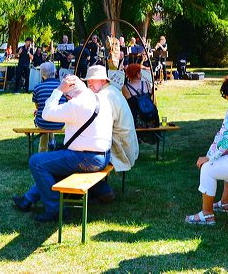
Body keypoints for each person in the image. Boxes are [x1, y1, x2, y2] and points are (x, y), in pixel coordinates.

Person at [12, 75, 113, 222]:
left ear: (68, 95)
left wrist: (59, 90)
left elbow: (46, 113)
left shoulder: (76, 104)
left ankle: (54, 208)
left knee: (36, 162)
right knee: (54, 162)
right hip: (104, 156)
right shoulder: (100, 99)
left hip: (87, 158)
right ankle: (28, 199)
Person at [185, 75, 228, 225]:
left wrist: (208, 157)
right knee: (227, 162)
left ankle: (207, 214)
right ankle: (225, 203)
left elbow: (226, 136)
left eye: (226, 97)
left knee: (207, 169)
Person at [84, 65, 138, 202]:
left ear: (103, 81)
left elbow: (100, 127)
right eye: (87, 81)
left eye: (92, 80)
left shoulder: (104, 96)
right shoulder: (112, 91)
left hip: (120, 147)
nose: (88, 83)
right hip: (127, 142)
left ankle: (98, 190)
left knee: (83, 154)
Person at [32, 62, 63, 152]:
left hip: (43, 123)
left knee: (44, 118)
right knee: (51, 116)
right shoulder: (62, 87)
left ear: (42, 74)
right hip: (59, 122)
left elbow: (38, 107)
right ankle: (52, 140)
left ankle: (43, 149)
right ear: (55, 72)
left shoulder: (38, 88)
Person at [123, 63, 160, 130]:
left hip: (136, 121)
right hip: (152, 119)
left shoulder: (125, 88)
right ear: (138, 74)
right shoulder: (147, 84)